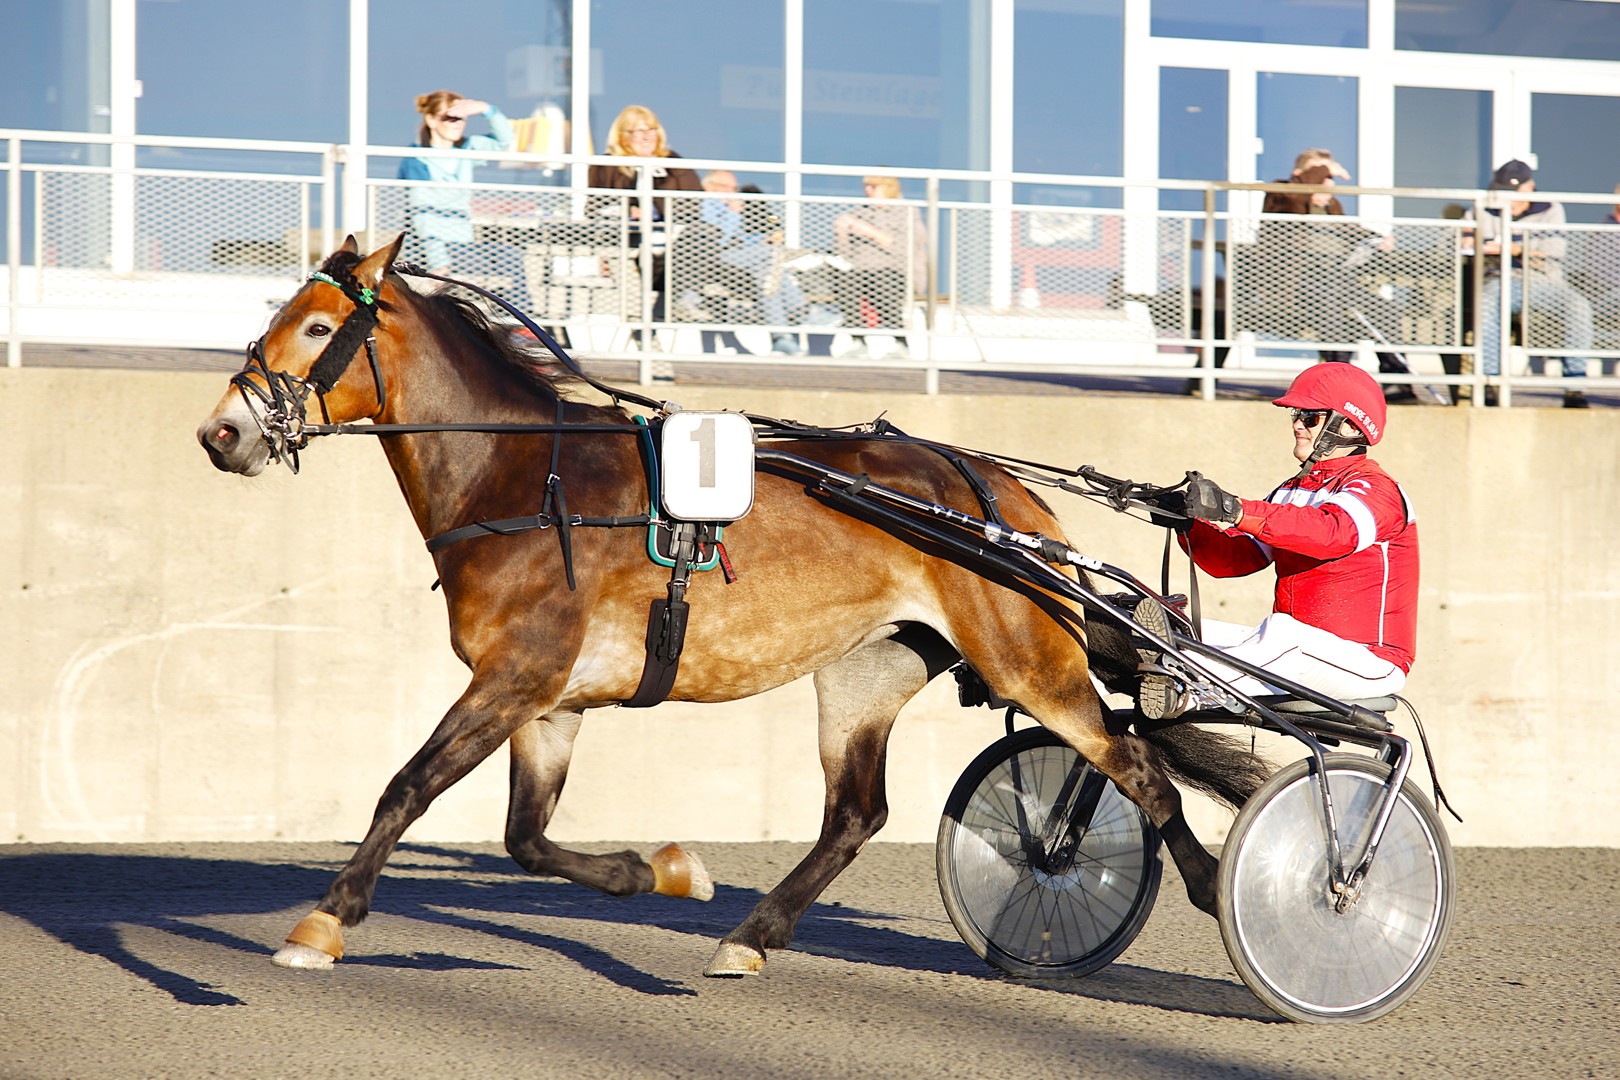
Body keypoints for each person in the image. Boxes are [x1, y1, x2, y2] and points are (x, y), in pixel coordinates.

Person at [1136, 363, 1418, 719]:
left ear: (1349, 425)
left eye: (1311, 416)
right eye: (1296, 415)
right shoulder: (1292, 491)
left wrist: (1235, 509)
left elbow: (1332, 533)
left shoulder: (1376, 489)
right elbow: (1235, 559)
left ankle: (1188, 692)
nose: (1298, 424)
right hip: (1299, 653)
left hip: (1368, 662)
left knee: (1283, 633)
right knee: (1179, 628)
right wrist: (1187, 525)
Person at [1256, 149, 1428, 401]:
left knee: (1385, 311)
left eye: (1328, 177)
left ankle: (1397, 380)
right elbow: (1293, 198)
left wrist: (1374, 240)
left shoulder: (1331, 205)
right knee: (1333, 312)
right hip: (1298, 281)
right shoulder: (1282, 194)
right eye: (1320, 174)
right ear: (1299, 175)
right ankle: (1336, 384)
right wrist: (1327, 169)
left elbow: (1347, 229)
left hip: (1338, 279)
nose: (1327, 182)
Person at [1464, 159, 1593, 408]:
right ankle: (1491, 383)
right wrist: (1470, 241)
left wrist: (1516, 249)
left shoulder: (1550, 209)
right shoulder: (1483, 208)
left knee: (1578, 306)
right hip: (1500, 279)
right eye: (1505, 191)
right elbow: (1460, 238)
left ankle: (1575, 388)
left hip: (1544, 281)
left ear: (1529, 187)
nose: (1510, 198)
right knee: (1488, 302)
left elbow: (1554, 251)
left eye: (1515, 192)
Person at [683, 170, 807, 355]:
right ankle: (799, 308)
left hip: (745, 261)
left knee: (766, 273)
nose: (734, 193)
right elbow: (719, 240)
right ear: (710, 187)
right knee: (770, 258)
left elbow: (770, 219)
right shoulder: (703, 205)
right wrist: (733, 214)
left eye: (735, 188)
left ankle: (781, 339)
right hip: (713, 260)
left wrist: (771, 233)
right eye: (727, 188)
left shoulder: (747, 204)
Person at [398, 90, 516, 276]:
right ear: (431, 120)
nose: (458, 124)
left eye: (462, 119)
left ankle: (521, 307)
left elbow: (505, 142)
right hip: (428, 249)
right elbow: (422, 216)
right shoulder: (417, 159)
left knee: (511, 256)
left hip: (462, 246)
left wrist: (486, 110)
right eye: (451, 118)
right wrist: (439, 263)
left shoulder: (467, 148)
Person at [831, 176, 928, 359]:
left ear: (889, 187)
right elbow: (844, 255)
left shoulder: (906, 213)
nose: (869, 190)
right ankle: (858, 340)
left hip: (895, 271)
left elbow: (906, 248)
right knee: (845, 282)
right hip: (859, 272)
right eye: (866, 186)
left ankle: (900, 342)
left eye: (874, 186)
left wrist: (870, 232)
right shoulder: (860, 213)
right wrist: (842, 234)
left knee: (883, 283)